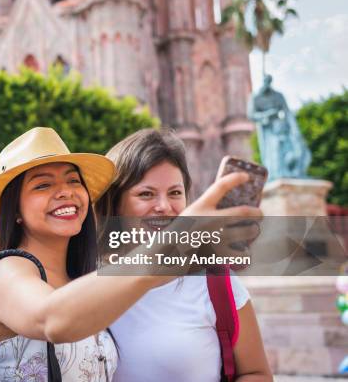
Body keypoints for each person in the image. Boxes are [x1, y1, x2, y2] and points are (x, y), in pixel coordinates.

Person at [0, 127, 261, 381]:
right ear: (15, 210)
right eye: (43, 185)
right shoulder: (8, 270)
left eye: (73, 181)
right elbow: (52, 320)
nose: (65, 192)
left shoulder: (83, 277)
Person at [95, 129, 272, 382]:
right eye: (146, 194)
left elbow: (256, 373)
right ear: (115, 202)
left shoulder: (215, 280)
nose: (164, 207)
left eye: (175, 193)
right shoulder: (82, 276)